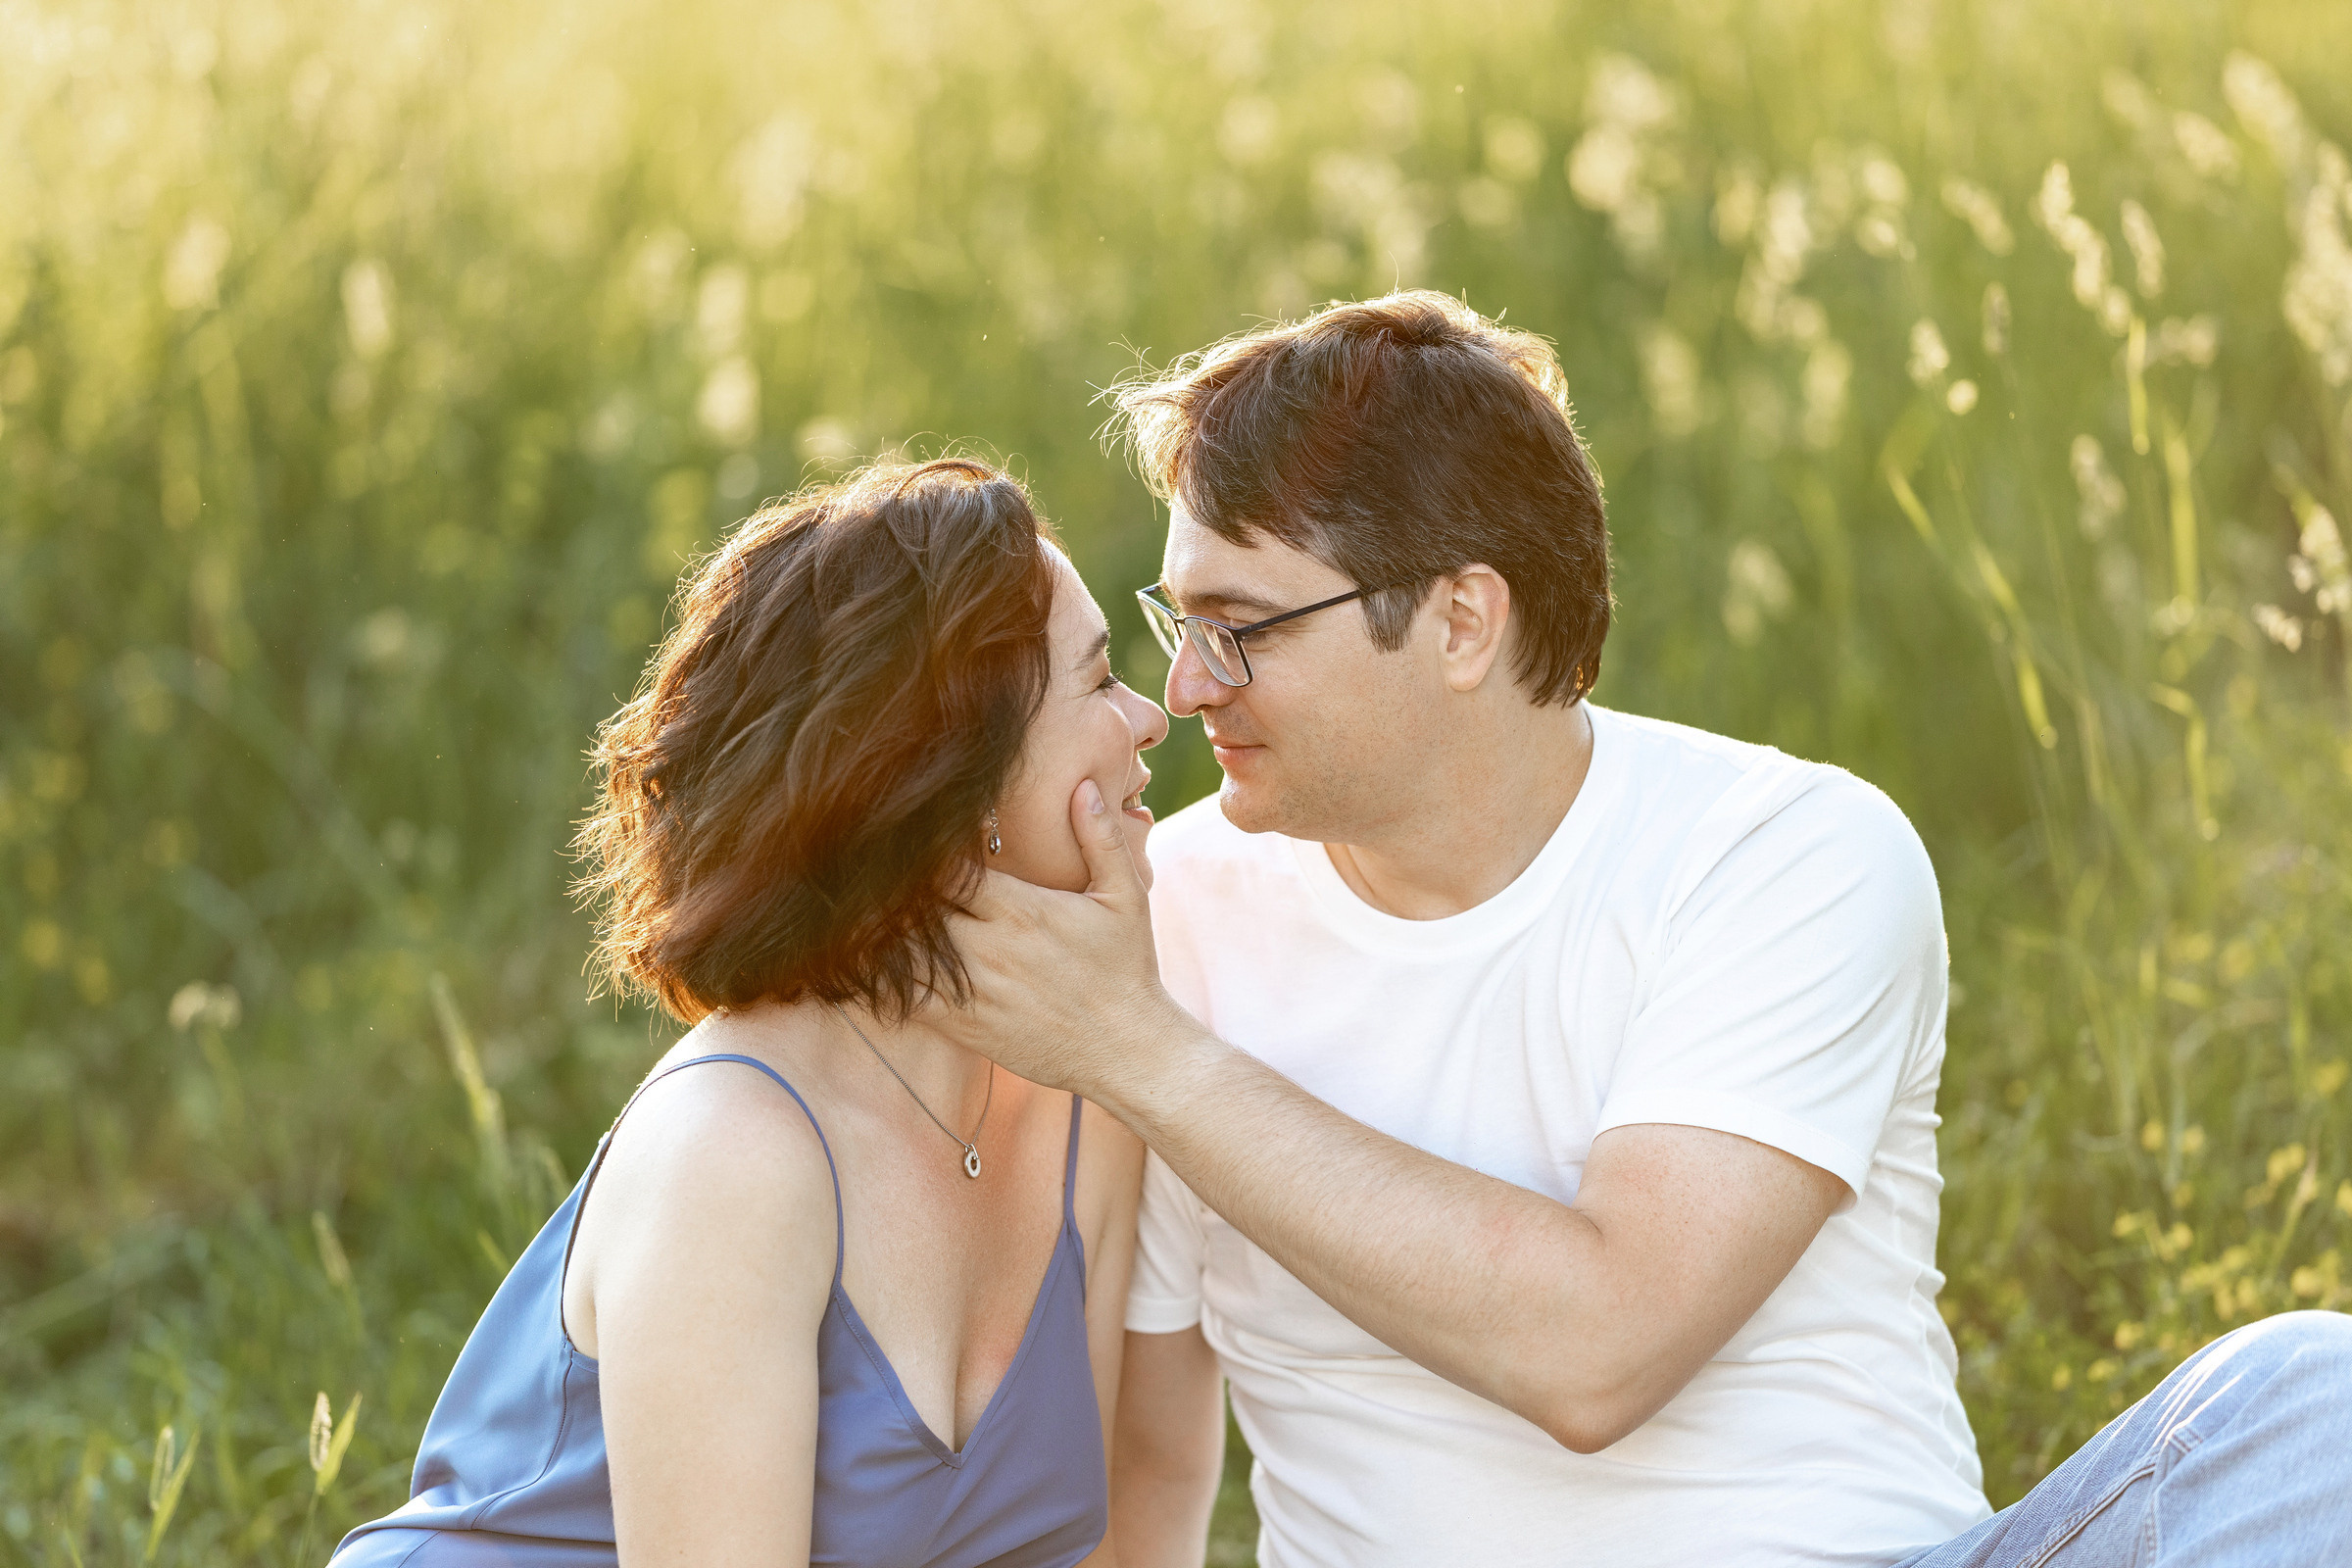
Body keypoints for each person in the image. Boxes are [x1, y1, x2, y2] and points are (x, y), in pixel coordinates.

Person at [926, 294, 2352, 1567]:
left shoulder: (1786, 857)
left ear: (1463, 622)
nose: (1184, 688)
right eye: (1176, 621)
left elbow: (1598, 1352)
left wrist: (1151, 1059)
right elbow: (1154, 1456)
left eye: (1242, 629)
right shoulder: (1165, 928)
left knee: (2311, 1405)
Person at [329, 458, 1169, 1567]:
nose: (1151, 718)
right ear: (959, 788)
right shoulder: (735, 1152)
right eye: (1101, 681)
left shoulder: (1085, 1102)